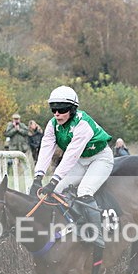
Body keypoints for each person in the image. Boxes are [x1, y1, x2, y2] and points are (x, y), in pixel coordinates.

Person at [29, 86, 113, 248]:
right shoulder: (52, 124)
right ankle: (78, 222)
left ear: (72, 109)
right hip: (81, 160)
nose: (57, 114)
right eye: (54, 109)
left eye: (62, 109)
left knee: (84, 191)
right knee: (56, 191)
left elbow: (70, 156)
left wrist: (53, 180)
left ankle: (97, 233)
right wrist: (38, 177)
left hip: (100, 158)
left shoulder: (83, 124)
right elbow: (46, 150)